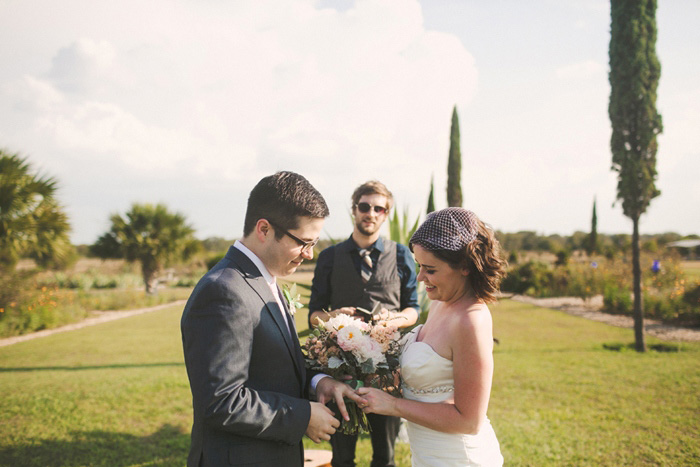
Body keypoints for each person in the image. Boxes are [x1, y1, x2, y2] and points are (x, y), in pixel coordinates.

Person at [181, 171, 366, 467]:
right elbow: (220, 402)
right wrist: (303, 416)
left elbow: (273, 368)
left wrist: (319, 382)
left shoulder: (264, 278)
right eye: (304, 242)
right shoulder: (223, 291)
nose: (309, 254)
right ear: (264, 229)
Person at [357, 207, 507, 467]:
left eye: (430, 269)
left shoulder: (471, 320)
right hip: (427, 455)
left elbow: (468, 421)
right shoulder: (441, 302)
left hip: (458, 458)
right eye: (418, 266)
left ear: (464, 267)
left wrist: (393, 406)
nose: (420, 277)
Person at [308, 180, 419, 467]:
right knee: (342, 457)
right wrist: (334, 317)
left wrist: (394, 319)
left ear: (386, 214)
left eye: (378, 208)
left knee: (385, 456)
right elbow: (314, 314)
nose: (371, 213)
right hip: (339, 368)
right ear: (354, 210)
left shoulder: (402, 255)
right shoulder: (329, 257)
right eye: (365, 206)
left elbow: (413, 309)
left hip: (387, 371)